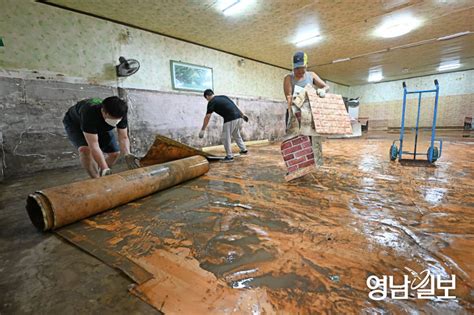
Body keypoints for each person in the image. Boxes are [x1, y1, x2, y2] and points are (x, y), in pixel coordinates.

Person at [63, 96, 140, 178]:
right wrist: (105, 167)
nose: (116, 121)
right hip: (75, 123)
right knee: (85, 149)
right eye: (112, 118)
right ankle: (96, 178)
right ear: (103, 111)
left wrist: (127, 154)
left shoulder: (121, 112)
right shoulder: (89, 113)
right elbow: (94, 145)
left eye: (118, 119)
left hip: (100, 123)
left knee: (114, 153)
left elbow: (123, 137)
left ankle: (103, 173)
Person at [199, 89, 248, 163]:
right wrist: (242, 115)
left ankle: (229, 156)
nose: (207, 100)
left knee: (225, 137)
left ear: (207, 96)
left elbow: (208, 116)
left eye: (206, 99)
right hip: (239, 117)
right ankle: (243, 150)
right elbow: (235, 106)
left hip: (230, 119)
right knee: (236, 134)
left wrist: (203, 129)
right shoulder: (223, 97)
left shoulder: (211, 102)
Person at [283, 51, 330, 127]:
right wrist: (293, 112)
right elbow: (289, 97)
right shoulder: (288, 78)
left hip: (309, 110)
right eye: (297, 68)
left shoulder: (311, 75)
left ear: (306, 65)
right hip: (295, 109)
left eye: (302, 68)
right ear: (293, 67)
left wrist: (323, 90)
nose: (299, 71)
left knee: (309, 134)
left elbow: (326, 86)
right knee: (295, 134)